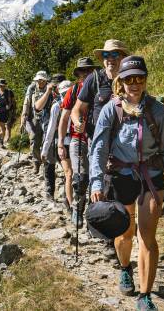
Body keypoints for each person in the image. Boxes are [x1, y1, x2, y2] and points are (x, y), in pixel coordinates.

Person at [89, 55, 164, 311]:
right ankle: (125, 267)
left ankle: (145, 295)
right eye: (129, 79)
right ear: (121, 81)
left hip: (151, 177)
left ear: (145, 80)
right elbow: (98, 149)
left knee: (147, 237)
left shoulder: (157, 109)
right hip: (120, 176)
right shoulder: (111, 109)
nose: (135, 83)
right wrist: (96, 183)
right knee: (125, 234)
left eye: (140, 78)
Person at [59, 57, 100, 224]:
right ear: (79, 74)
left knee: (96, 179)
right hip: (77, 139)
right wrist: (61, 142)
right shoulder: (74, 90)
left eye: (89, 70)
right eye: (83, 71)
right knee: (81, 178)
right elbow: (64, 118)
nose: (87, 73)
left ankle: (93, 218)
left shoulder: (101, 88)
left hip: (97, 139)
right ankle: (77, 208)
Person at [71, 39, 130, 140]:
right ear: (103, 59)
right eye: (106, 55)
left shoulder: (130, 79)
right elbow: (77, 109)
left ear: (123, 57)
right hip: (97, 137)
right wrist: (77, 122)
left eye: (115, 54)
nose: (110, 59)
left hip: (125, 139)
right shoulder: (94, 79)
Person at [41, 79, 72, 205]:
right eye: (63, 93)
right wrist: (45, 149)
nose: (65, 96)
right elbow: (50, 129)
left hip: (76, 141)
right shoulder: (56, 106)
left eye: (68, 93)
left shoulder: (79, 103)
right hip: (62, 142)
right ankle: (69, 202)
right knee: (69, 172)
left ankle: (69, 198)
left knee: (73, 173)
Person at [20, 71, 49, 172]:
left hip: (47, 118)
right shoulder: (32, 88)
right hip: (34, 117)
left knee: (46, 140)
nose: (40, 81)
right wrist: (24, 115)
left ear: (46, 80)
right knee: (34, 140)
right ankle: (36, 162)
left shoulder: (49, 88)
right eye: (38, 80)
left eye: (42, 80)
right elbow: (27, 102)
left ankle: (47, 163)